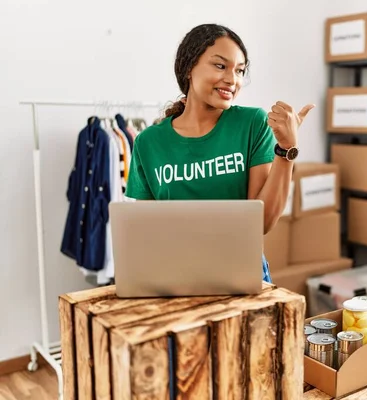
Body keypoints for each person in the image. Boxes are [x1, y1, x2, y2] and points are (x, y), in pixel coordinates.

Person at [124, 24, 314, 283]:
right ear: (189, 67)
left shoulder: (252, 123)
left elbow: (261, 223)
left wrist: (286, 149)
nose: (232, 79)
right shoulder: (148, 142)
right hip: (175, 276)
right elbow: (147, 233)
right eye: (220, 66)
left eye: (239, 70)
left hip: (240, 272)